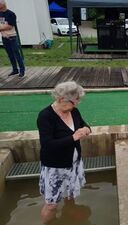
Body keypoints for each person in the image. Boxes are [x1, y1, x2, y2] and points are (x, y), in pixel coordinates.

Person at [37, 81, 91, 224]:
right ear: (61, 99)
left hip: (73, 163)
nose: (76, 105)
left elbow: (83, 124)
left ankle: (70, 213)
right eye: (74, 102)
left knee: (70, 195)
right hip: (55, 167)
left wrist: (86, 129)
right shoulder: (45, 116)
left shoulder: (73, 111)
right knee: (51, 204)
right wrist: (73, 137)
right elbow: (47, 144)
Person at [0, 0, 25, 78]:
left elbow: (10, 26)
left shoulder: (11, 14)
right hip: (4, 38)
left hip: (12, 37)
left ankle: (22, 70)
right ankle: (15, 70)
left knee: (16, 54)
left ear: (3, 4)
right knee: (10, 55)